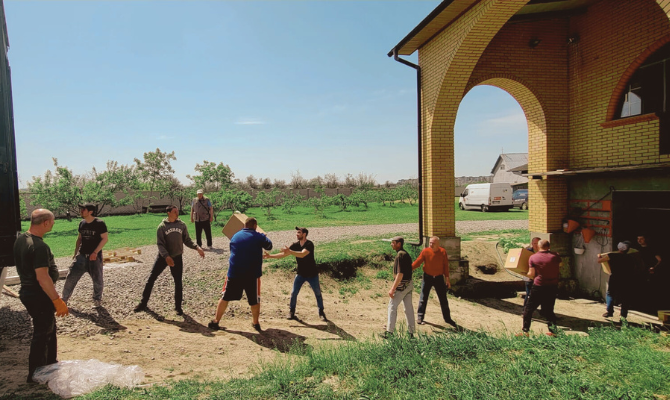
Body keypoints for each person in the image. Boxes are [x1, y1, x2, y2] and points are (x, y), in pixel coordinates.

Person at [14, 209, 69, 383]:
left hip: (29, 292)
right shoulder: (39, 246)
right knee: (42, 332)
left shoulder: (21, 239)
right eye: (52, 221)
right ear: (45, 223)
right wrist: (57, 300)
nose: (53, 224)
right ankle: (36, 373)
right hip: (38, 295)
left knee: (48, 329)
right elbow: (42, 277)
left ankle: (50, 364)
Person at [135, 205, 205, 315]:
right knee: (151, 278)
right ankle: (143, 304)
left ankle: (178, 308)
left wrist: (197, 247)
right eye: (175, 211)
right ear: (169, 213)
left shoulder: (182, 225)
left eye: (177, 211)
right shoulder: (162, 227)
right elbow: (160, 244)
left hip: (177, 257)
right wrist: (166, 256)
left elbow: (187, 240)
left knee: (178, 282)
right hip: (163, 258)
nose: (177, 213)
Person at [209, 217, 272, 331]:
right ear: (255, 226)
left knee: (225, 297)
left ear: (244, 225)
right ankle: (255, 323)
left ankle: (216, 321)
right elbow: (269, 246)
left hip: (234, 272)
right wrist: (263, 235)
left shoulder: (235, 236)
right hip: (252, 274)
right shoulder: (259, 236)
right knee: (254, 300)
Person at [264, 227, 326, 321]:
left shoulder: (309, 244)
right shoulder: (295, 245)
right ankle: (291, 312)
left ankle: (321, 312)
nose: (297, 234)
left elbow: (302, 254)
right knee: (294, 293)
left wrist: (290, 251)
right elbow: (283, 254)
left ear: (304, 234)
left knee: (317, 293)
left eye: (299, 232)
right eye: (297, 232)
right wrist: (270, 256)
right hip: (300, 274)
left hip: (312, 274)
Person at [61, 203, 108, 307]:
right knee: (71, 277)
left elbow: (105, 239)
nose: (81, 211)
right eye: (81, 209)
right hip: (81, 256)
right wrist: (76, 252)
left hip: (95, 257)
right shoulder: (82, 223)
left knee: (97, 279)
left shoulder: (99, 223)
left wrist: (95, 252)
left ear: (90, 212)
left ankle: (97, 300)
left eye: (83, 209)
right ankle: (63, 300)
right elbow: (79, 239)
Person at [412, 236, 456, 327]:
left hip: (439, 278)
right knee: (423, 298)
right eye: (430, 243)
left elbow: (445, 266)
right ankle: (420, 317)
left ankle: (447, 318)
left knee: (443, 299)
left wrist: (447, 279)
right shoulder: (425, 251)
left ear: (438, 244)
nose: (431, 244)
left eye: (433, 243)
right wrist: (408, 269)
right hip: (427, 277)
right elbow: (418, 262)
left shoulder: (442, 252)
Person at [521, 239, 560, 336]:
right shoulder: (556, 256)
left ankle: (525, 331)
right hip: (552, 286)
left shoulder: (533, 257)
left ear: (538, 247)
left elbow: (531, 273)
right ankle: (553, 332)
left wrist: (524, 273)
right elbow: (558, 266)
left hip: (539, 286)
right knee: (549, 309)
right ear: (549, 247)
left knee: (528, 309)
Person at [598, 241, 637, 321]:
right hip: (627, 279)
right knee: (625, 297)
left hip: (615, 277)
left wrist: (600, 256)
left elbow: (600, 261)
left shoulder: (612, 255)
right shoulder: (630, 258)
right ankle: (623, 316)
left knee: (610, 294)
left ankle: (609, 311)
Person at [385, 236, 415, 337]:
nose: (391, 244)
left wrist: (393, 288)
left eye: (393, 242)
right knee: (408, 309)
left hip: (402, 287)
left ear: (399, 244)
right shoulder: (405, 254)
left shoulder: (400, 255)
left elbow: (400, 274)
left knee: (392, 307)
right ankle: (411, 333)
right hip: (409, 285)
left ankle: (389, 332)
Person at [523, 237, 542, 309]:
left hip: (540, 277)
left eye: (538, 243)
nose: (536, 245)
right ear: (531, 244)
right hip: (529, 277)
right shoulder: (527, 252)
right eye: (534, 243)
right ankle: (525, 310)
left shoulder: (543, 252)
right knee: (529, 294)